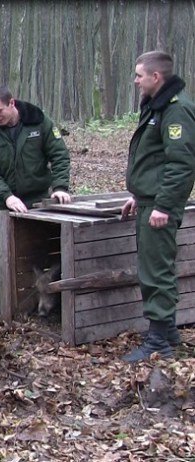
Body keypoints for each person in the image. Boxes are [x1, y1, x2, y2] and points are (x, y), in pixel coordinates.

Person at [120, 51, 195, 362]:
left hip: (161, 205)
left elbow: (181, 164)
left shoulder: (176, 110)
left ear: (156, 76)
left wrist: (162, 205)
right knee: (156, 267)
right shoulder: (157, 105)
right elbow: (155, 161)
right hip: (150, 201)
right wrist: (139, 195)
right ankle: (169, 332)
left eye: (139, 75)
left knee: (155, 272)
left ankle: (158, 342)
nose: (136, 81)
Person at [0, 85, 72, 319]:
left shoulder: (38, 122)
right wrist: (7, 196)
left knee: (44, 249)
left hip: (38, 198)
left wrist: (60, 187)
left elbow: (59, 155)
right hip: (5, 200)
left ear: (12, 103)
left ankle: (51, 301)